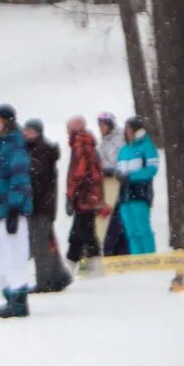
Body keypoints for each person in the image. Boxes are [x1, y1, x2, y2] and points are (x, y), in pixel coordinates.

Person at [0, 106, 36, 317]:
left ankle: (18, 300)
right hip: (0, 211)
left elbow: (20, 178)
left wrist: (15, 206)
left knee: (14, 255)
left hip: (10, 211)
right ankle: (9, 294)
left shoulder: (14, 145)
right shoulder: (3, 146)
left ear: (7, 122)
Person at [23, 119, 72, 293]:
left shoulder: (41, 151)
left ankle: (44, 281)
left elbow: (38, 181)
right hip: (43, 205)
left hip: (40, 206)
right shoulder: (35, 151)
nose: (26, 134)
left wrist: (30, 198)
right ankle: (59, 276)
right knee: (48, 242)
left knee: (41, 246)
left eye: (30, 131)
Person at [63, 116, 107, 266]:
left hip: (83, 196)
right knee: (78, 232)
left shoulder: (80, 144)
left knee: (85, 232)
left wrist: (70, 196)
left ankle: (93, 264)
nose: (67, 132)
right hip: (91, 195)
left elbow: (78, 172)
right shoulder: (89, 144)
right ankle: (71, 262)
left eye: (68, 129)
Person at [113, 117, 159, 254]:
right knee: (130, 229)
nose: (127, 132)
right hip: (125, 194)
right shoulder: (124, 150)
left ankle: (149, 256)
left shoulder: (147, 146)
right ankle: (137, 257)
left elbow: (152, 169)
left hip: (140, 192)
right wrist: (118, 174)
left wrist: (131, 176)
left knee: (142, 227)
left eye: (129, 129)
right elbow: (119, 168)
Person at [93, 113, 125, 255]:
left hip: (118, 185)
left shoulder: (119, 140)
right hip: (107, 187)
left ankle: (118, 251)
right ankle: (113, 250)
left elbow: (119, 161)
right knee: (110, 219)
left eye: (104, 125)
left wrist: (109, 169)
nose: (101, 128)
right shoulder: (104, 142)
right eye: (100, 125)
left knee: (117, 220)